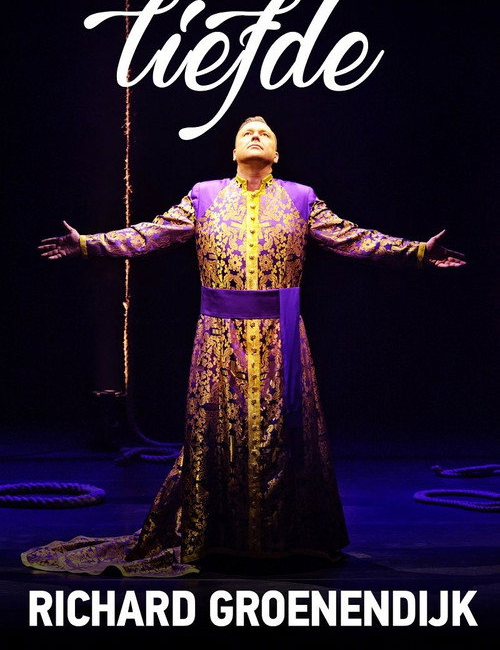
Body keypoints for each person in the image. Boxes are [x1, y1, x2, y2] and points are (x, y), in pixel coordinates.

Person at [23, 116, 465, 578]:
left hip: (281, 335)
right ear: (234, 152)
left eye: (265, 133)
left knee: (285, 433)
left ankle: (291, 538)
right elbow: (149, 233)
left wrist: (417, 251)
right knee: (217, 434)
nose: (256, 135)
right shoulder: (205, 196)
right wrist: (88, 244)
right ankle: (214, 536)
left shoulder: (301, 199)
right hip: (219, 336)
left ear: (276, 154)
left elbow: (354, 239)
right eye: (246, 133)